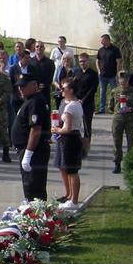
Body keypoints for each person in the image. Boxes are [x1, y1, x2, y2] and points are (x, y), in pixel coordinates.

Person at [11, 72, 51, 201]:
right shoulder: (30, 100)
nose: (20, 89)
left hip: (34, 151)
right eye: (19, 87)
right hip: (29, 149)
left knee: (34, 185)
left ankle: (36, 215)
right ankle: (32, 211)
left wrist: (28, 153)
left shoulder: (35, 101)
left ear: (34, 85)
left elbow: (35, 129)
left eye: (23, 86)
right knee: (29, 185)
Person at [51, 78, 84, 210]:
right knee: (68, 168)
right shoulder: (76, 103)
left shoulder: (71, 106)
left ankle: (74, 200)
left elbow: (68, 128)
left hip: (70, 138)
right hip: (71, 138)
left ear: (71, 90)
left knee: (72, 170)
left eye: (64, 88)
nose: (61, 90)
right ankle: (70, 197)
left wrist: (56, 130)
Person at [109, 71, 133, 174]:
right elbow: (110, 106)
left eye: (125, 80)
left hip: (130, 119)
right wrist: (117, 110)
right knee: (117, 142)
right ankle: (117, 164)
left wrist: (131, 109)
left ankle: (130, 165)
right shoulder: (114, 91)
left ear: (128, 80)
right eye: (121, 79)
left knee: (131, 142)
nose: (123, 82)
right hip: (118, 119)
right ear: (118, 80)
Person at [73, 53, 99, 157]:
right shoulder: (77, 73)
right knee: (76, 126)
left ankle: (85, 148)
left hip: (87, 103)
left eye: (84, 61)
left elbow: (93, 89)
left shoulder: (93, 74)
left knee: (87, 126)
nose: (82, 63)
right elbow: (74, 87)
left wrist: (83, 100)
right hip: (76, 102)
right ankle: (77, 147)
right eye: (80, 61)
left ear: (88, 61)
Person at [95, 34, 122, 114]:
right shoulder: (100, 50)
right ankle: (101, 109)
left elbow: (118, 62)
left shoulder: (115, 49)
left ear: (107, 40)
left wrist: (117, 72)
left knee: (115, 92)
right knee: (102, 92)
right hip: (102, 76)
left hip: (112, 75)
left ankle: (115, 108)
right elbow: (97, 61)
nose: (101, 42)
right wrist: (98, 70)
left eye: (102, 40)